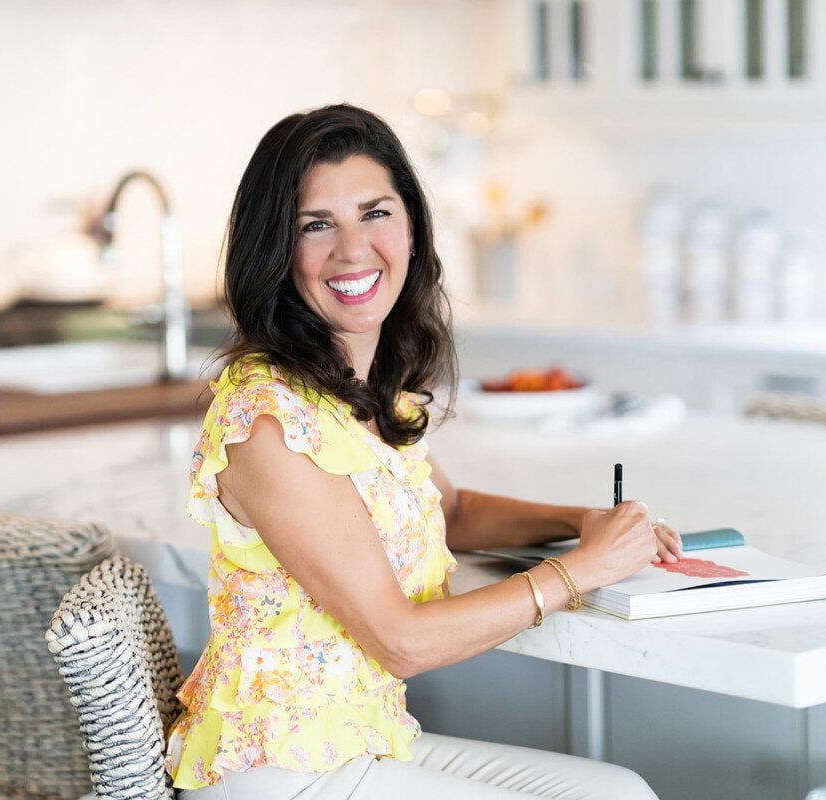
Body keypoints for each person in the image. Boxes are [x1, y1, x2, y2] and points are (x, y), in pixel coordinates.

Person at [165, 104, 681, 799]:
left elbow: (455, 511)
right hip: (276, 769)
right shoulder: (268, 422)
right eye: (316, 226)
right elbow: (400, 640)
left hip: (356, 739)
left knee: (615, 792)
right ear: (275, 254)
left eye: (375, 213)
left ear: (411, 226)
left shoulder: (360, 393)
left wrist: (586, 522)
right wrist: (580, 571)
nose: (352, 249)